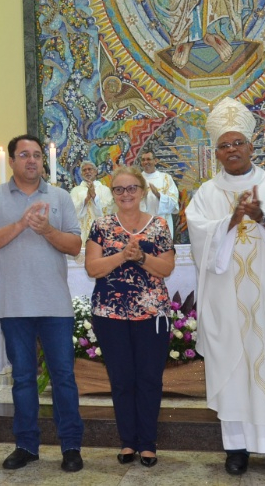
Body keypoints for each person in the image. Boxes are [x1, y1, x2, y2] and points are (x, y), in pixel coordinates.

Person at [185, 97, 265, 477]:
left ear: (252, 147)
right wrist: (233, 219)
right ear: (216, 152)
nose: (232, 149)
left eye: (238, 143)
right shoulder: (206, 194)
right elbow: (200, 238)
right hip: (227, 299)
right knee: (232, 369)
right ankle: (235, 449)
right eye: (224, 144)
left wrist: (263, 217)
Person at [0, 134, 85, 473]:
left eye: (37, 155)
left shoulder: (60, 197)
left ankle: (70, 447)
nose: (32, 160)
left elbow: (75, 245)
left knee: (63, 376)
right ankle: (26, 445)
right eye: (24, 155)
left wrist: (47, 230)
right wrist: (22, 223)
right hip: (13, 303)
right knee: (22, 378)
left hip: (54, 304)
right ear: (11, 161)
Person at [85, 166, 175, 468]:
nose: (126, 194)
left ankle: (147, 444)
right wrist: (123, 255)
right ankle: (127, 442)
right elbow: (93, 268)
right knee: (122, 380)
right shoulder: (101, 225)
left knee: (149, 379)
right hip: (110, 315)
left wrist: (142, 257)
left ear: (142, 190)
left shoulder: (159, 225)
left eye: (131, 188)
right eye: (119, 189)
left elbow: (166, 269)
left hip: (151, 316)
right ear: (113, 194)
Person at [69, 160, 113, 261]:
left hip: (99, 231)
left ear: (96, 171)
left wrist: (94, 198)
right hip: (81, 232)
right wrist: (85, 200)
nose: (87, 172)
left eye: (90, 169)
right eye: (84, 170)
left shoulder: (104, 190)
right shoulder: (76, 191)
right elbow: (71, 212)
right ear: (81, 173)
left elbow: (108, 210)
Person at [138, 149, 180, 238]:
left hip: (163, 221)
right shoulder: (137, 179)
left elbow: (174, 202)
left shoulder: (166, 178)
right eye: (143, 160)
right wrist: (142, 197)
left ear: (155, 161)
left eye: (148, 159)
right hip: (142, 223)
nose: (146, 162)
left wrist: (158, 195)